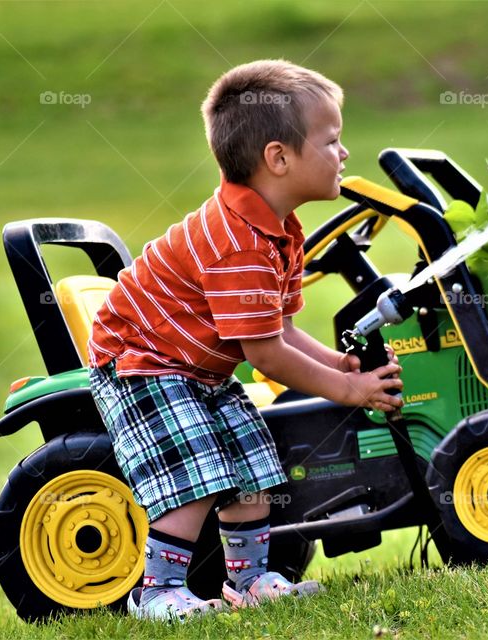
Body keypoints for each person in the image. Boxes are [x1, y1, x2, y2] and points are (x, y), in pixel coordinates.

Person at [87, 59, 404, 621]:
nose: (344, 153)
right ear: (278, 159)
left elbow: (278, 328)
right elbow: (263, 354)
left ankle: (250, 581)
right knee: (199, 470)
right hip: (145, 360)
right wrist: (347, 390)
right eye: (332, 140)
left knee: (253, 465)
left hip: (199, 368)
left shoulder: (278, 230)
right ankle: (155, 592)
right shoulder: (238, 243)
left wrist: (338, 363)